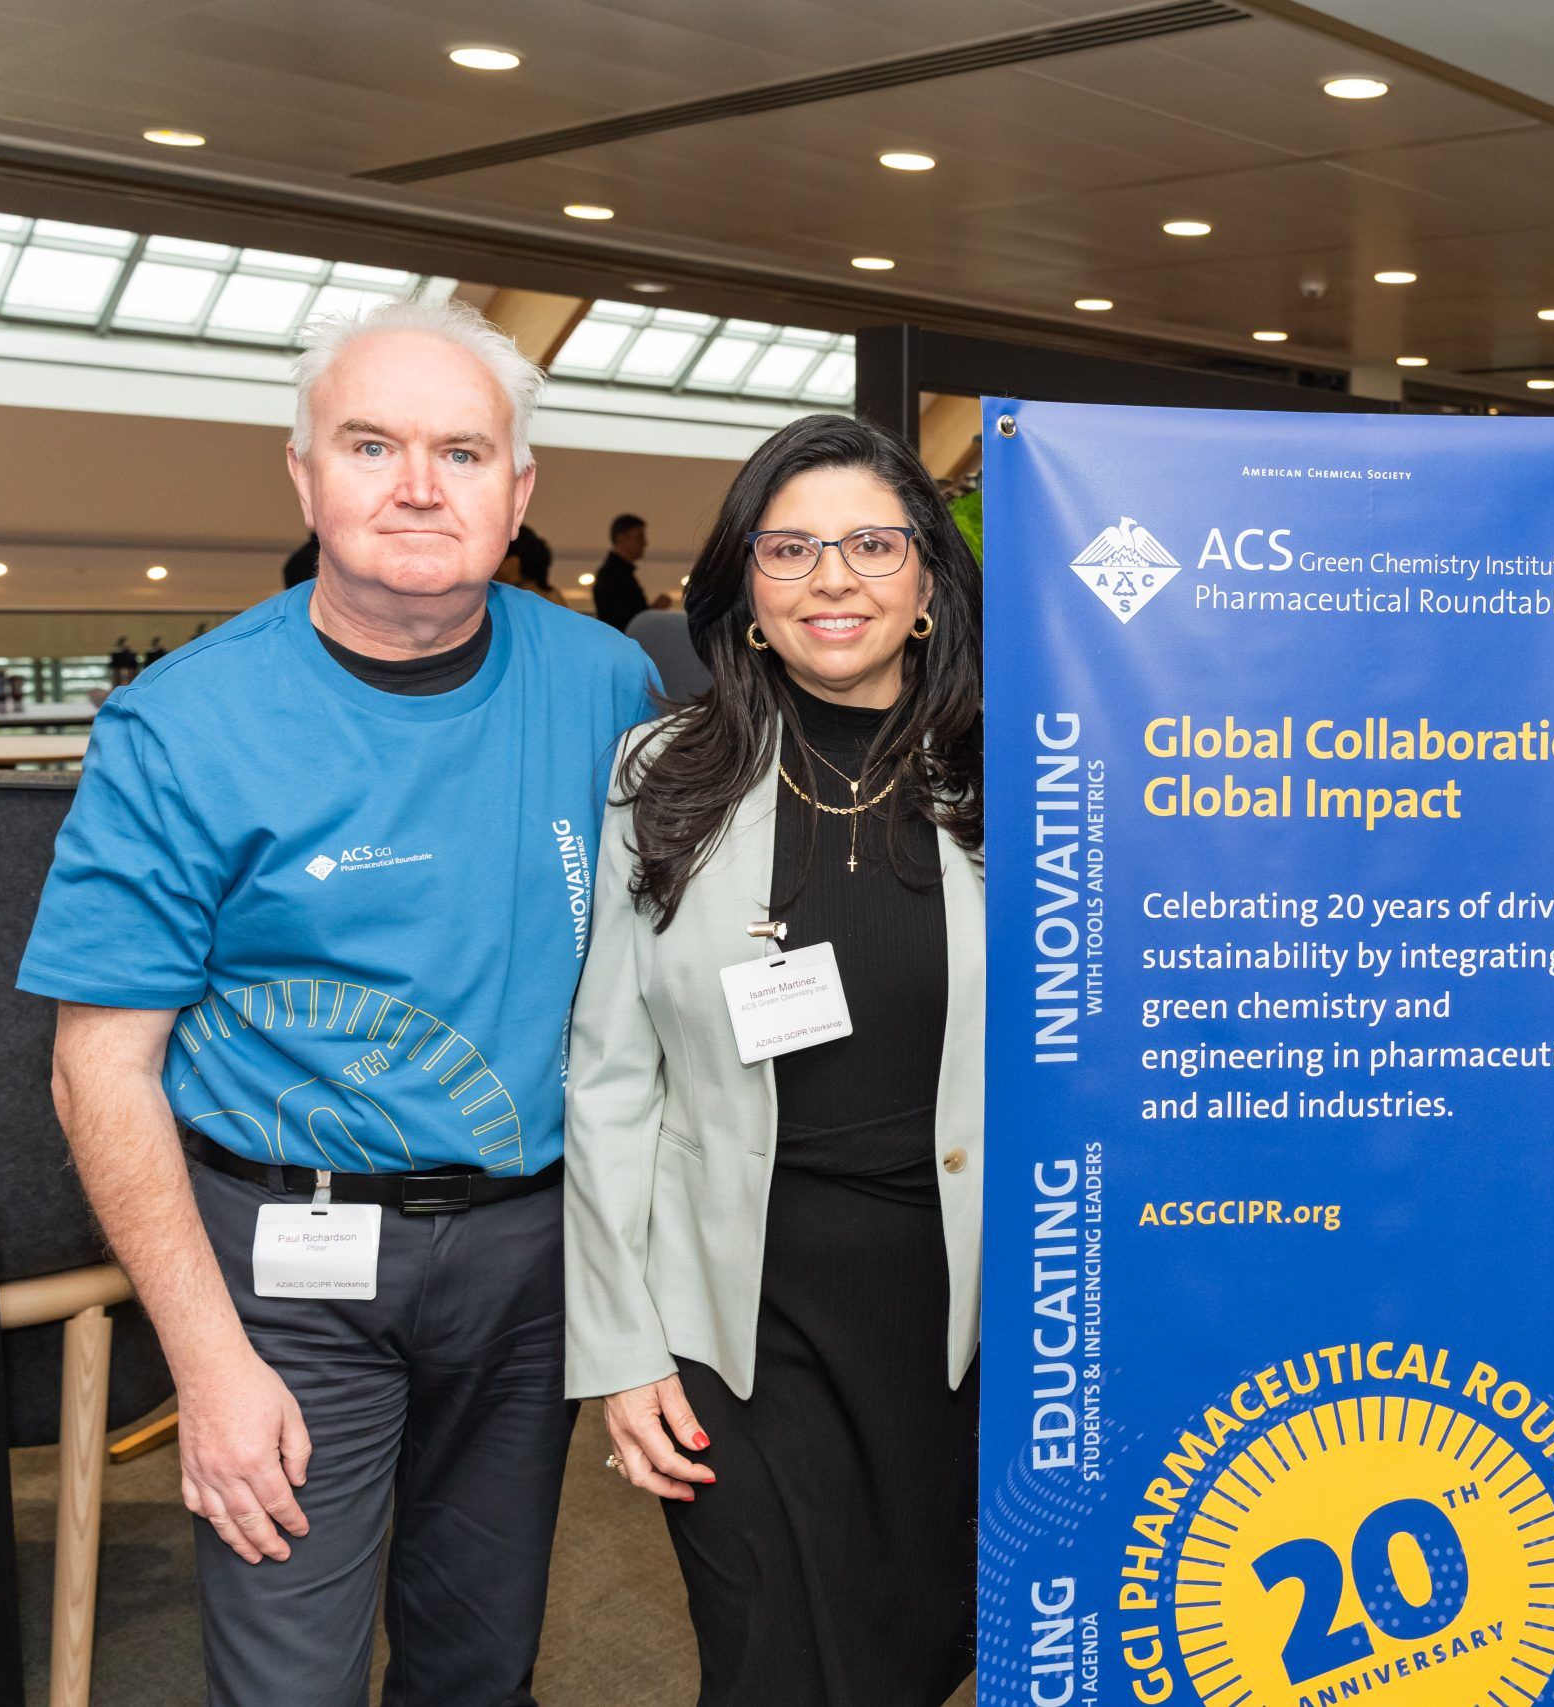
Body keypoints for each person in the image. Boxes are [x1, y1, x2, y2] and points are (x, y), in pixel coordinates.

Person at [19, 297, 657, 1706]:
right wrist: (206, 1355)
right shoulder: (183, 722)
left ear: (520, 488)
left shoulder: (609, 681)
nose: (419, 485)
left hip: (529, 1258)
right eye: (371, 444)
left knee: (481, 1661)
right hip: (282, 1277)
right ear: (304, 473)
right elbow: (97, 1069)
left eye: (463, 452)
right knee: (291, 1678)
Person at [564, 413, 985, 1706]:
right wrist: (622, 1347)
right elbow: (609, 1073)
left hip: (965, 1320)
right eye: (790, 546)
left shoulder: (1019, 781)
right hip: (731, 1317)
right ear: (745, 590)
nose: (833, 576)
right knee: (772, 1665)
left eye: (871, 541)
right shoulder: (667, 770)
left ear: (927, 585)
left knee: (916, 1655)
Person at [592, 511, 655, 630]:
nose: (645, 543)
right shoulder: (612, 576)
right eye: (639, 537)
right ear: (622, 538)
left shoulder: (614, 573)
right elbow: (622, 621)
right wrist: (653, 611)